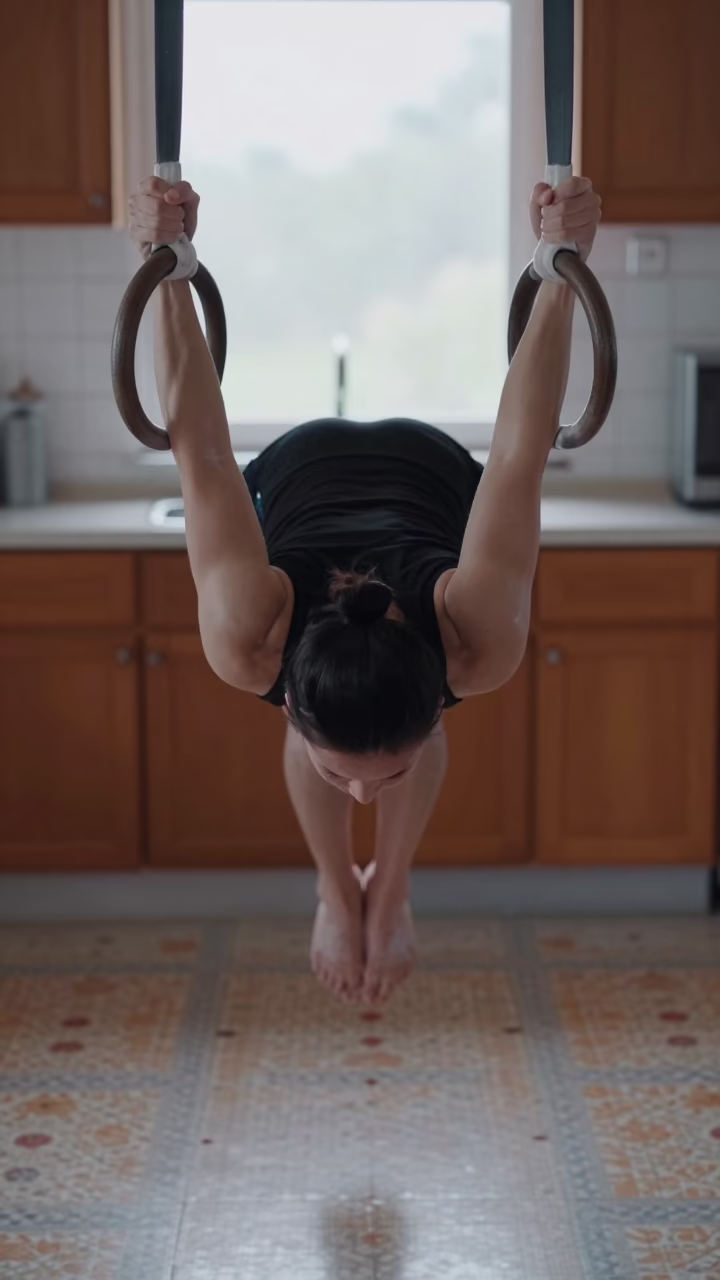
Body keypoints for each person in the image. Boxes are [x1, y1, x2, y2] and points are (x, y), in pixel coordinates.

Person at [128, 173, 602, 1005]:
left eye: (377, 779)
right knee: (352, 723)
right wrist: (559, 267)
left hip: (405, 477)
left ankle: (388, 888)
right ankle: (335, 887)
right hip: (355, 468)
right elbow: (203, 458)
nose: (357, 793)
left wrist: (166, 263)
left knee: (360, 729)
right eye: (350, 775)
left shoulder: (251, 637)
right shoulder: (474, 638)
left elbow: (198, 445)